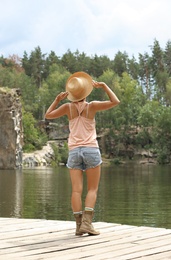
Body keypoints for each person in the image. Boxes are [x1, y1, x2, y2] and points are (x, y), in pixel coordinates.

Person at [45, 71, 120, 236]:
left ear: (71, 94)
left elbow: (48, 115)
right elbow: (115, 101)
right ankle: (87, 223)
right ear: (86, 91)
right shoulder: (91, 106)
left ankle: (79, 226)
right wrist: (104, 86)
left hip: (74, 152)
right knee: (92, 189)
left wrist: (57, 100)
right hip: (91, 150)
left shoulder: (67, 108)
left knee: (76, 191)